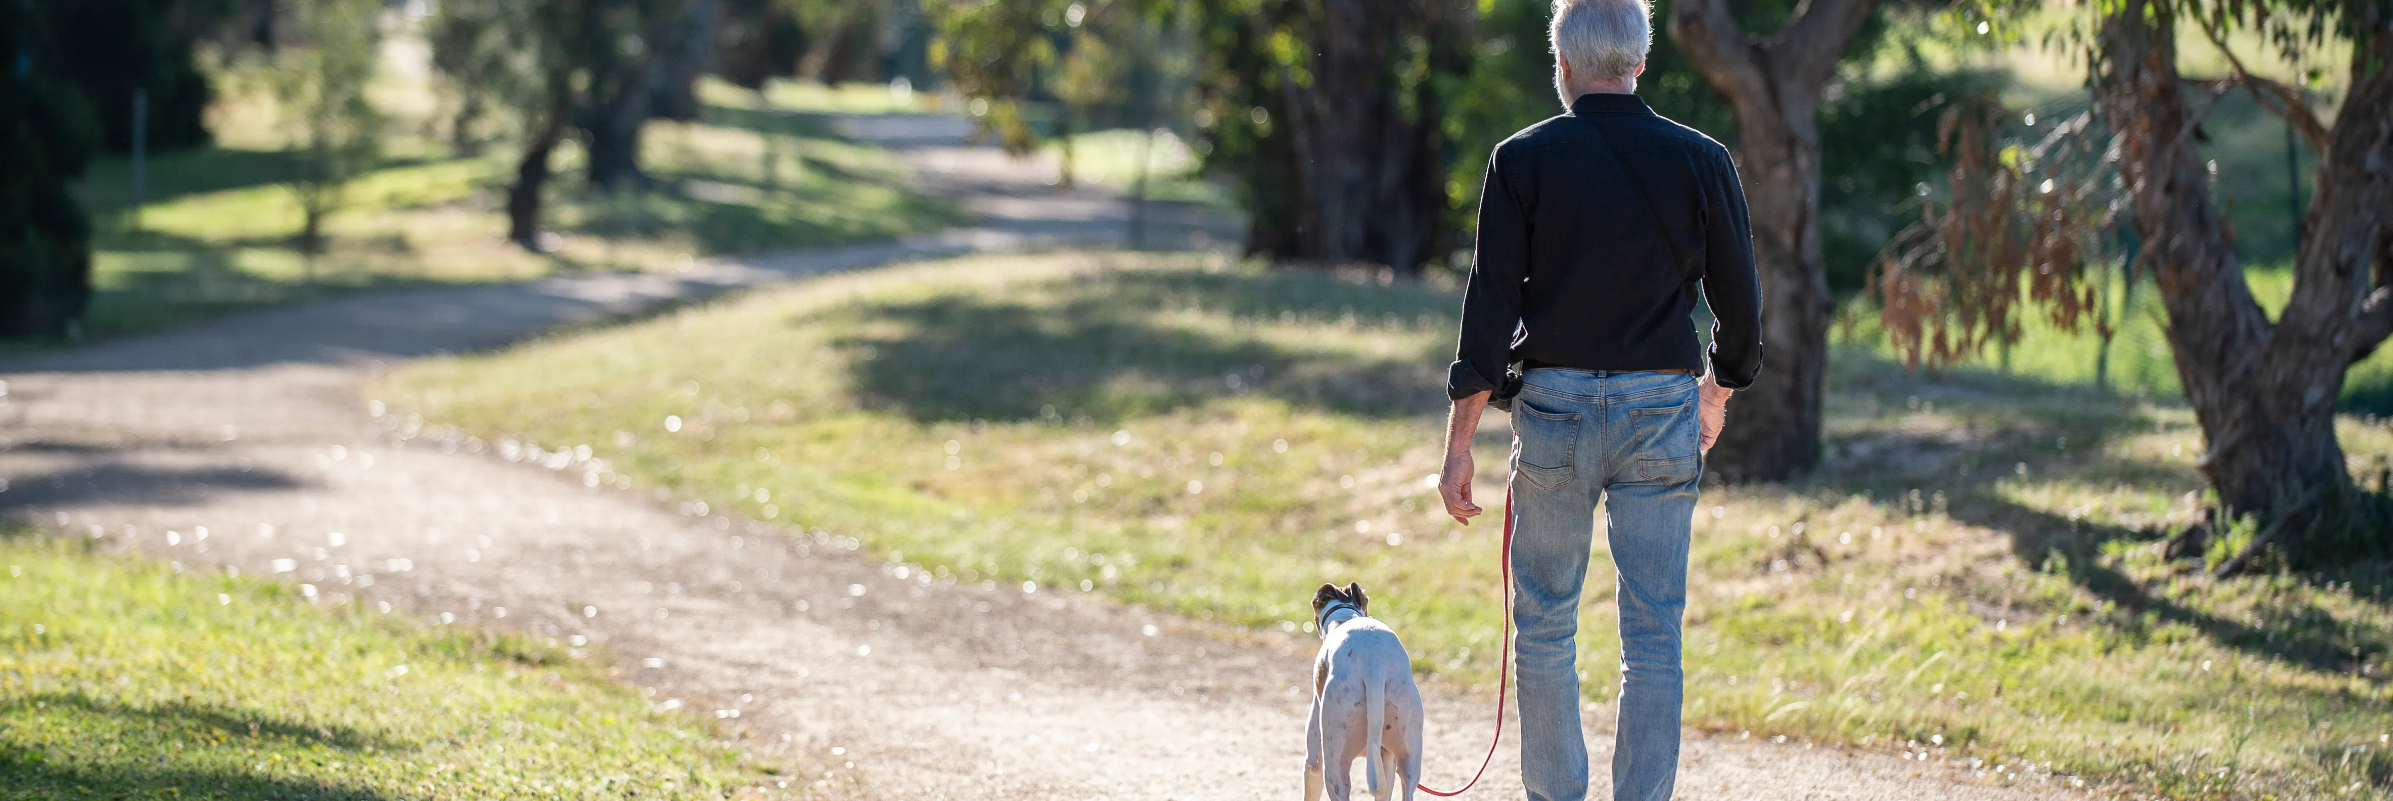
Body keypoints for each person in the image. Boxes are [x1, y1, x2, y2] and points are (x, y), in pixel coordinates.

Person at [1434, 0, 1763, 798]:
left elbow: (1488, 313)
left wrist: (1457, 446)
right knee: (1653, 630)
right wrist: (1714, 392)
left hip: (1553, 411)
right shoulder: (1703, 159)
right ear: (1639, 63)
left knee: (1545, 622)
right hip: (1661, 409)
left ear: (1564, 64)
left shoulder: (1520, 159)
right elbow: (1742, 311)